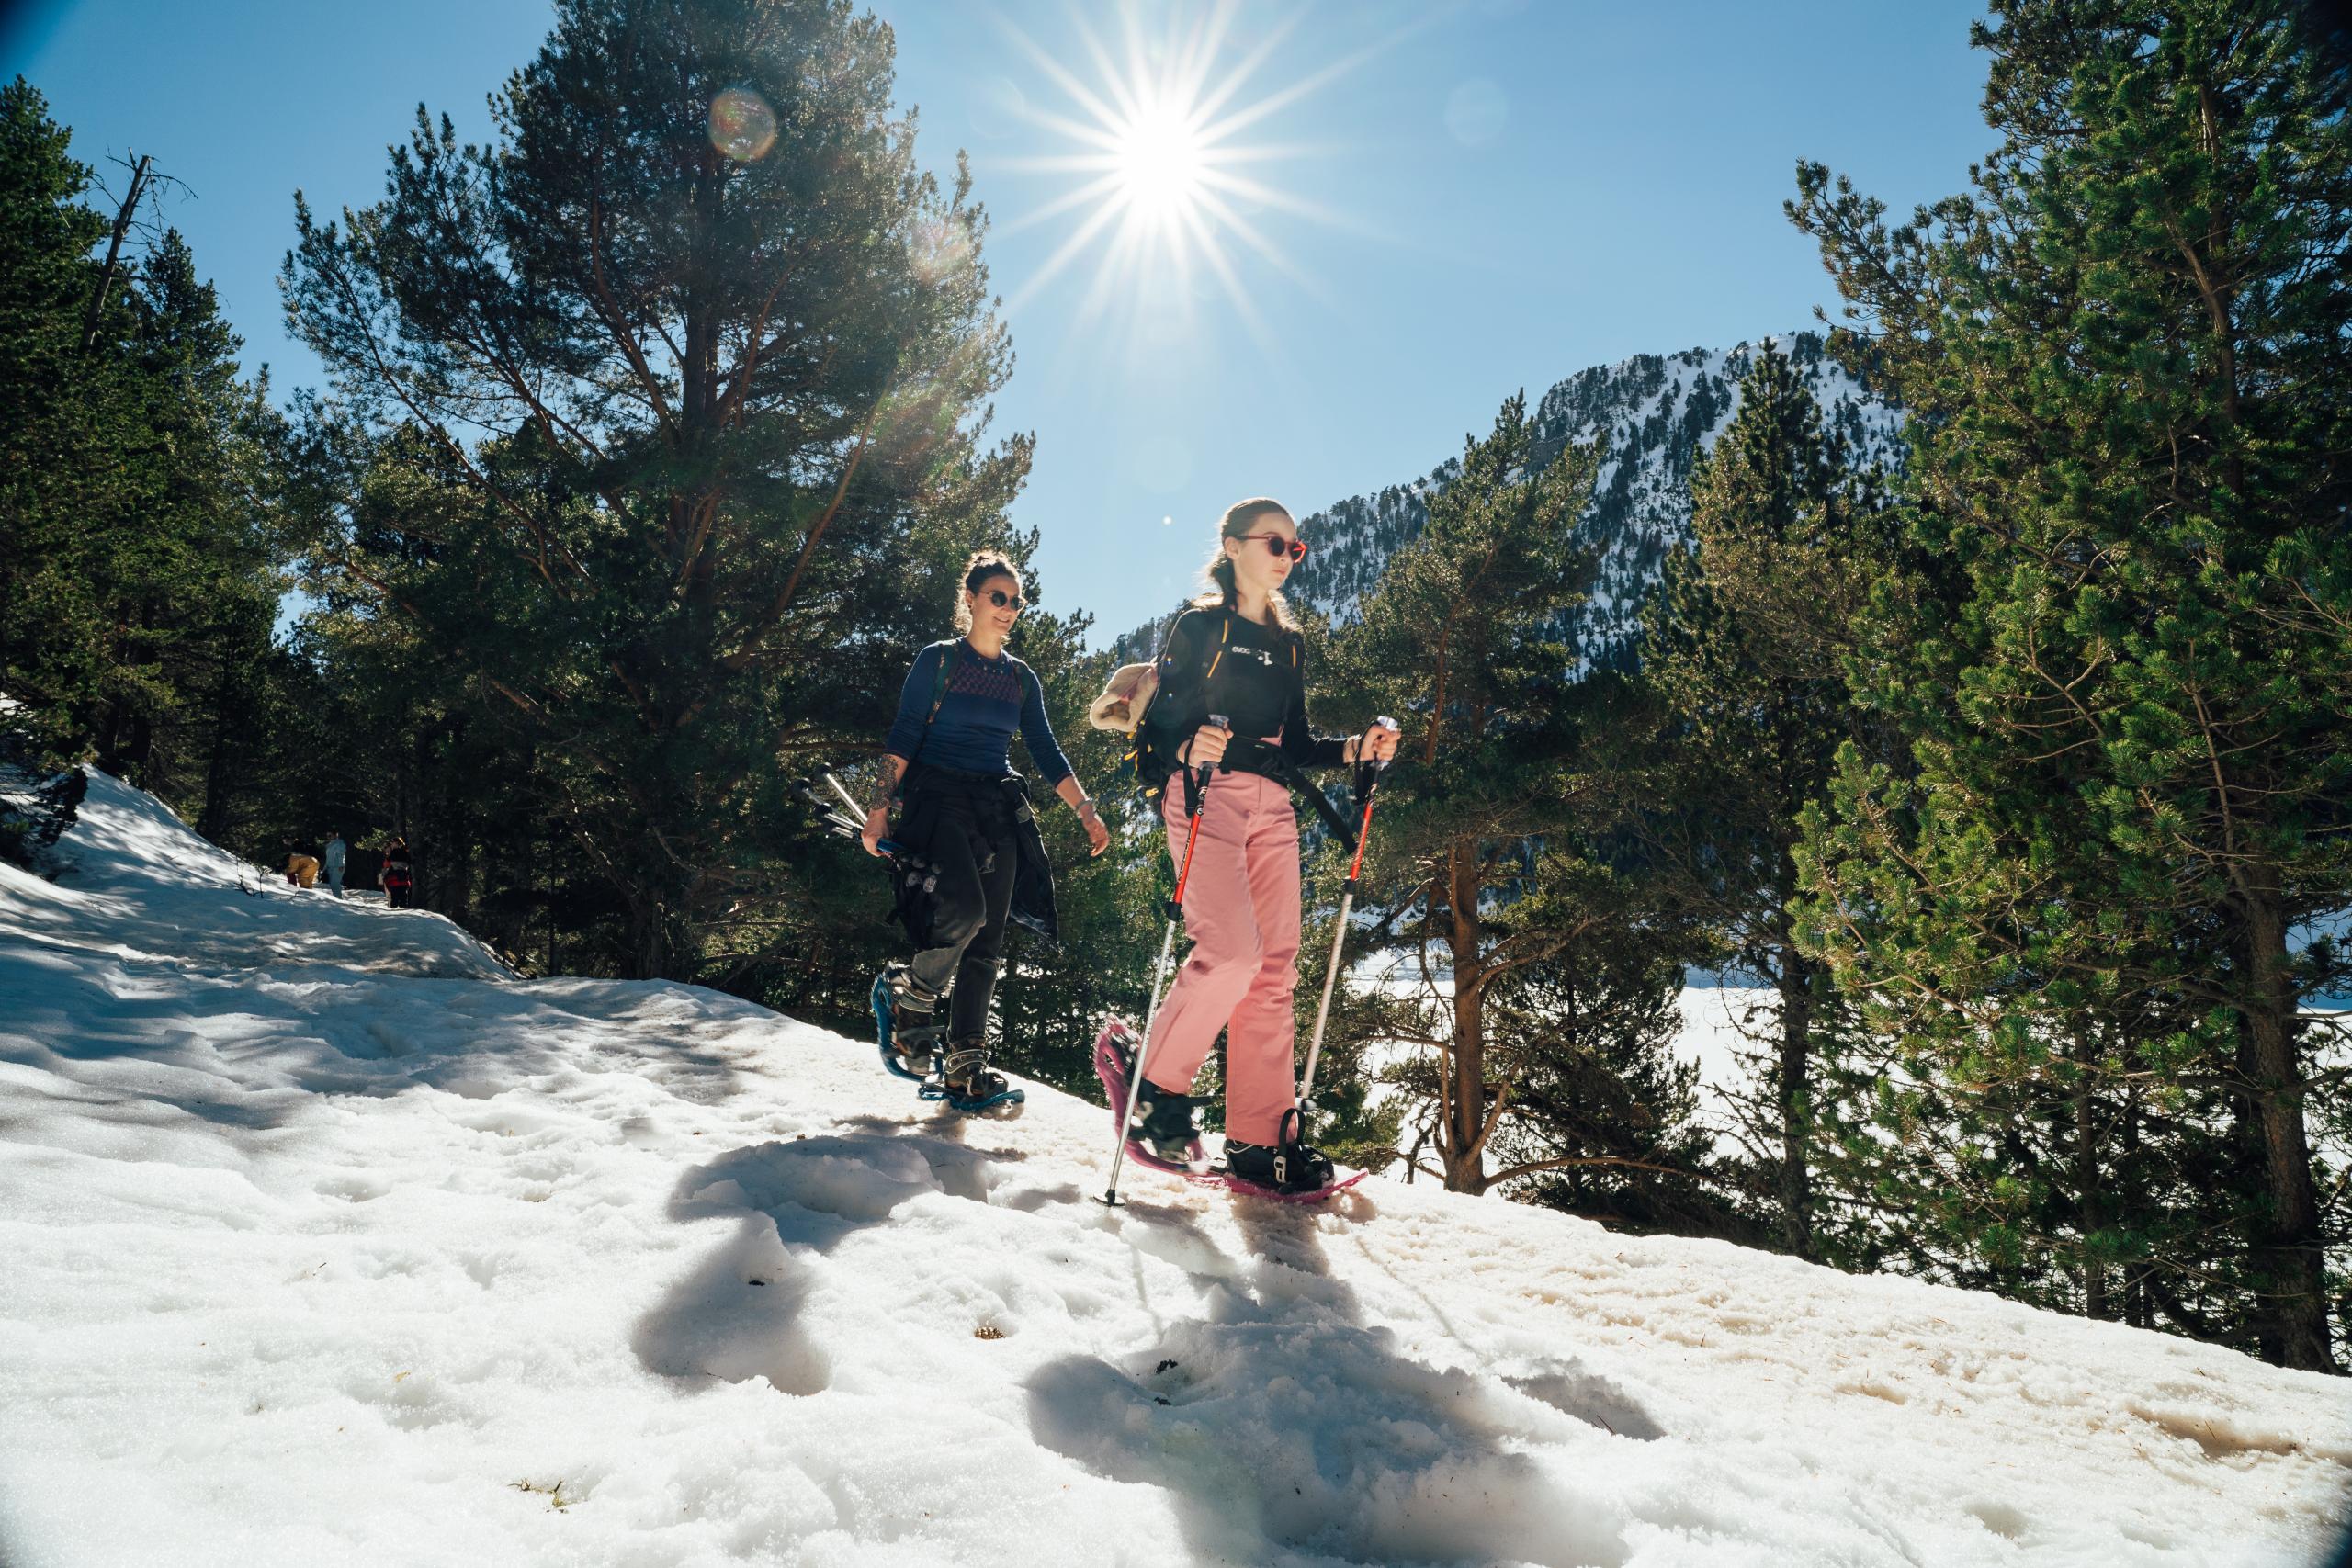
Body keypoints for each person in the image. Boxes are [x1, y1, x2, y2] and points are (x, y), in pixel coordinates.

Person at [1125, 498, 1401, 1192]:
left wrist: (1358, 748)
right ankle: (1152, 1085)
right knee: (1231, 952)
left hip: (1273, 805)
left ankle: (1257, 1138)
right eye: (1275, 543)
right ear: (1233, 546)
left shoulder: (1289, 643)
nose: (1287, 557)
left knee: (1274, 970)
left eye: (1295, 548)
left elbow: (1298, 743)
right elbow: (1156, 731)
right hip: (1205, 793)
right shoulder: (1200, 626)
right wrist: (1185, 745)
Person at [862, 549, 1111, 1105]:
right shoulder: (938, 661)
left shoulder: (1020, 678)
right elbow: (904, 736)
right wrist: (878, 809)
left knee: (989, 940)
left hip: (996, 805)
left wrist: (1085, 809)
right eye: (998, 597)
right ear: (971, 599)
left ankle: (964, 1068)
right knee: (966, 911)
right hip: (938, 798)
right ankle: (912, 991)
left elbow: (1044, 749)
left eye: (1017, 601)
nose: (1009, 608)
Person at [379, 836, 413, 908]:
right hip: (404, 877)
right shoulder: (405, 852)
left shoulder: (393, 852)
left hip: (394, 877)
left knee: (394, 897)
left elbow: (386, 864)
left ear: (396, 843)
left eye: (392, 843)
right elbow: (411, 861)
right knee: (403, 897)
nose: (391, 844)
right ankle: (404, 910)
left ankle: (393, 911)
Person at [322, 832, 347, 897]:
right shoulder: (330, 844)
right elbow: (328, 857)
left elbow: (340, 855)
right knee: (332, 885)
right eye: (328, 836)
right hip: (331, 867)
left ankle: (338, 899)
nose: (328, 837)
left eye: (330, 835)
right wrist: (325, 868)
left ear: (336, 835)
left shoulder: (339, 844)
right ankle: (337, 899)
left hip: (337, 867)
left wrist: (341, 865)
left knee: (335, 884)